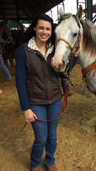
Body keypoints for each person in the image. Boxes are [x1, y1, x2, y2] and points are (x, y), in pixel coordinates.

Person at [15, 14, 62, 171]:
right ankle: (35, 163)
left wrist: (74, 55)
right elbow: (20, 82)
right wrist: (26, 108)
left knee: (52, 136)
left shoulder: (55, 48)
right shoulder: (23, 51)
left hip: (55, 99)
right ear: (34, 28)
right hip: (35, 102)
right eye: (41, 27)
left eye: (48, 28)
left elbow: (63, 72)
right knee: (41, 138)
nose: (44, 31)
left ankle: (49, 161)